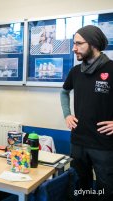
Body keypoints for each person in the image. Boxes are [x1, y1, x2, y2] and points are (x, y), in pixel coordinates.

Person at [60, 25, 113, 201]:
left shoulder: (111, 69)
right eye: (74, 43)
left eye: (78, 43)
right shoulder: (75, 71)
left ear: (93, 44)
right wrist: (67, 114)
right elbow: (64, 92)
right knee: (80, 187)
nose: (74, 48)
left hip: (103, 144)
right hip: (79, 141)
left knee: (105, 189)